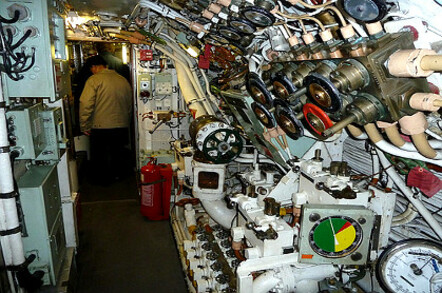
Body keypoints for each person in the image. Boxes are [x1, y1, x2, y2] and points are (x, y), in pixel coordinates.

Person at [79, 55, 132, 185]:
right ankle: (118, 178)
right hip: (121, 125)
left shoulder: (94, 80)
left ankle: (102, 182)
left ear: (95, 67)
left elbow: (85, 103)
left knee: (100, 156)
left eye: (91, 68)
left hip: (100, 126)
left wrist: (84, 125)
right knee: (117, 154)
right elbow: (130, 104)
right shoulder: (122, 80)